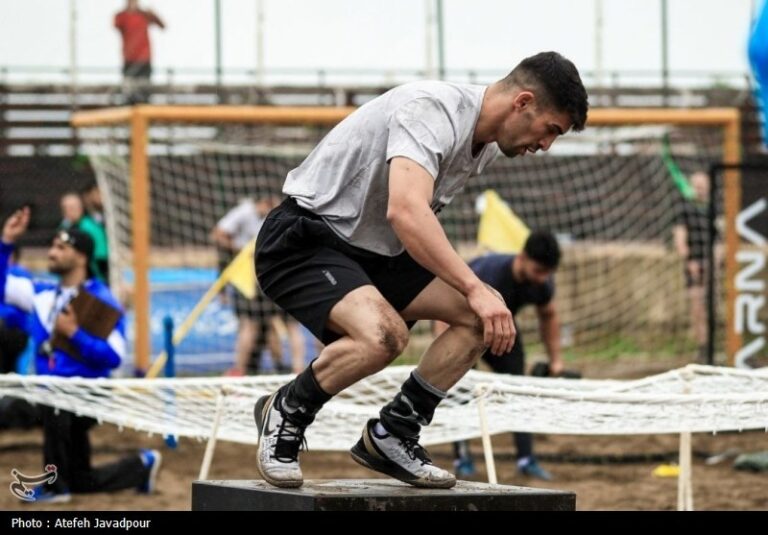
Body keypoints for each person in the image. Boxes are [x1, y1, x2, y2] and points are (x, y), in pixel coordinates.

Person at [252, 51, 588, 489]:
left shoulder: (482, 145)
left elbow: (411, 224)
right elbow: (406, 211)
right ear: (523, 103)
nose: (545, 146)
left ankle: (394, 432)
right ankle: (287, 409)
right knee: (386, 336)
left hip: (375, 251)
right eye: (550, 131)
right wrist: (475, 284)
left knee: (479, 318)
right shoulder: (432, 109)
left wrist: (477, 295)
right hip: (307, 238)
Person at [0, 207, 161, 503]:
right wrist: (6, 242)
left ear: (81, 257)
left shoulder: (101, 301)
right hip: (53, 393)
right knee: (81, 479)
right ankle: (139, 466)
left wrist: (74, 333)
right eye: (52, 246)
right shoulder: (41, 293)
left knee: (52, 399)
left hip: (87, 397)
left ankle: (55, 487)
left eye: (61, 247)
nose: (52, 252)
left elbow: (113, 356)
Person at [444, 231, 564, 481]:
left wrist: (556, 361)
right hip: (463, 327)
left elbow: (549, 316)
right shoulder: (490, 273)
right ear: (522, 258)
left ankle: (526, 459)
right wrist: (446, 352)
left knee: (517, 389)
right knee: (461, 390)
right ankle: (463, 459)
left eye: (548, 272)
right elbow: (445, 308)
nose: (543, 278)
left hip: (503, 331)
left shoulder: (542, 284)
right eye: (539, 270)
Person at [213, 197, 304, 376]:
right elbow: (218, 234)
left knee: (262, 324)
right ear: (265, 201)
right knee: (267, 324)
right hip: (261, 278)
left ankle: (281, 368)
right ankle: (283, 368)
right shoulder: (247, 213)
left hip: (265, 277)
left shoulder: (273, 218)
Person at [673, 171, 714, 363]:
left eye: (703, 185)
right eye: (696, 186)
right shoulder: (685, 209)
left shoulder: (714, 209)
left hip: (712, 264)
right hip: (695, 264)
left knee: (712, 306)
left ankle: (713, 344)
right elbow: (680, 240)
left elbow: (721, 239)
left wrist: (715, 261)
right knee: (697, 307)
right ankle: (702, 346)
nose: (700, 190)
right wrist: (690, 261)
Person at [114, 0, 165, 104]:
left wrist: (153, 14)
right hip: (129, 59)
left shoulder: (145, 15)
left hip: (144, 59)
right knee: (129, 91)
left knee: (144, 90)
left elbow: (162, 26)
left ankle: (144, 110)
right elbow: (116, 24)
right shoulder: (122, 16)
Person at [59, 192, 109, 284]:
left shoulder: (91, 228)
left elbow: (101, 256)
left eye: (71, 208)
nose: (67, 211)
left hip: (93, 276)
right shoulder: (64, 227)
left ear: (80, 208)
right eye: (64, 208)